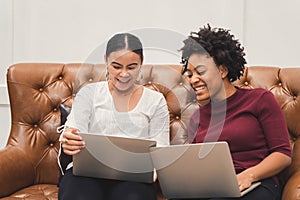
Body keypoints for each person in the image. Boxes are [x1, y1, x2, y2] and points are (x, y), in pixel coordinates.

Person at [178, 24, 291, 200]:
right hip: (214, 186)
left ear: (222, 70)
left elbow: (283, 154)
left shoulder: (260, 99)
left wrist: (249, 175)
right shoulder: (197, 117)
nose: (193, 80)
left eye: (200, 71)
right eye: (190, 74)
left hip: (257, 184)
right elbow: (198, 165)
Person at [58, 33, 170, 200]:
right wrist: (68, 141)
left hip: (134, 179)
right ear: (106, 60)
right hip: (86, 175)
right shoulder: (89, 94)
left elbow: (161, 148)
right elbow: (73, 131)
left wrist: (155, 170)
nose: (124, 74)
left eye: (131, 67)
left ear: (141, 63)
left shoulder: (155, 100)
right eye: (116, 67)